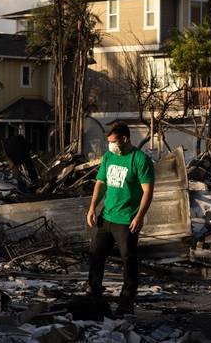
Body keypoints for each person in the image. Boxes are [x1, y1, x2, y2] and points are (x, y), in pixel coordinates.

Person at [86, 123, 155, 316]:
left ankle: (126, 301)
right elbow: (100, 183)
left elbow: (147, 192)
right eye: (108, 142)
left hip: (126, 220)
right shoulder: (108, 157)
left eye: (113, 142)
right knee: (95, 255)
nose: (110, 146)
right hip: (106, 217)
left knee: (128, 261)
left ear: (124, 139)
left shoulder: (140, 160)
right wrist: (92, 207)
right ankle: (94, 291)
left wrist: (140, 216)